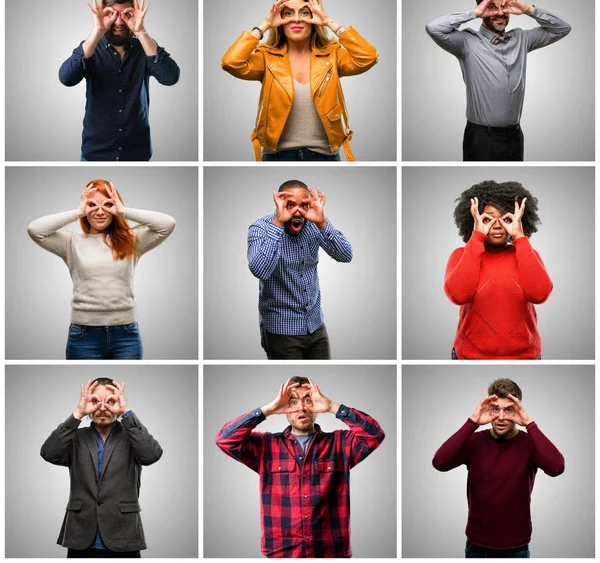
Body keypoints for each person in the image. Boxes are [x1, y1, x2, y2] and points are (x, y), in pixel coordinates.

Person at [216, 376, 385, 557]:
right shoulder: (266, 445)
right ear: (285, 410)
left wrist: (332, 407)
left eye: (308, 400)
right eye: (293, 401)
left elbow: (374, 435)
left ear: (316, 407)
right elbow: (225, 439)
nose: (301, 407)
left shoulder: (340, 443)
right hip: (282, 553)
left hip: (331, 553)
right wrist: (268, 410)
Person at [221, 0, 378, 161]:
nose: (296, 19)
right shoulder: (266, 58)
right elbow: (230, 63)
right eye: (288, 13)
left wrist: (328, 21)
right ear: (279, 18)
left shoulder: (332, 54)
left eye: (304, 12)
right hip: (277, 156)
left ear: (314, 16)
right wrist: (265, 25)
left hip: (325, 155)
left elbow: (368, 57)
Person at [27, 179, 176, 359]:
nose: (99, 211)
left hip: (126, 335)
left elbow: (167, 224)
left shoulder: (132, 240)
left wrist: (123, 211)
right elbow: (35, 230)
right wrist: (78, 212)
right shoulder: (71, 242)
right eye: (92, 205)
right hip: (83, 336)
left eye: (107, 205)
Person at [425, 0, 571, 161]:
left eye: (504, 7)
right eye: (492, 7)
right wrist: (473, 13)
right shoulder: (466, 42)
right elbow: (433, 28)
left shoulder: (522, 38)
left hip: (515, 136)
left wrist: (528, 10)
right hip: (480, 138)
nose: (500, 13)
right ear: (482, 8)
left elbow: (562, 28)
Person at [432, 378, 565, 558]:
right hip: (477, 546)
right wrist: (472, 422)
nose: (501, 417)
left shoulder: (530, 444)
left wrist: (529, 423)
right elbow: (440, 463)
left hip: (516, 548)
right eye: (496, 409)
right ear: (489, 410)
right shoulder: (475, 441)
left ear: (517, 411)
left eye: (508, 410)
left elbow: (556, 467)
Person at [41, 377, 163, 557]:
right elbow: (49, 452)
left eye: (110, 400)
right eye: (95, 401)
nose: (103, 407)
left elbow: (152, 454)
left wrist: (126, 412)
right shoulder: (75, 437)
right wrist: (77, 414)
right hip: (81, 536)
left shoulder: (132, 437)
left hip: (124, 535)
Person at [59, 0, 180, 161]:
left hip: (138, 155)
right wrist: (98, 31)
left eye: (126, 14)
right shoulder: (91, 48)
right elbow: (66, 78)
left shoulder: (145, 46)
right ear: (102, 14)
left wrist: (140, 31)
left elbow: (170, 77)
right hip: (95, 155)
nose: (118, 21)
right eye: (110, 14)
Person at [444, 180, 552, 359]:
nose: (496, 225)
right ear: (474, 220)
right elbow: (458, 295)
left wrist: (520, 237)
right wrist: (477, 237)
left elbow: (539, 294)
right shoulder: (461, 255)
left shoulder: (527, 254)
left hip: (526, 357)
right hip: (470, 357)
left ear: (518, 220)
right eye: (487, 219)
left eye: (506, 218)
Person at [247, 180, 352, 359]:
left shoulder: (313, 224)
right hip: (281, 329)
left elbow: (346, 255)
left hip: (315, 325)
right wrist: (278, 223)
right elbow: (260, 270)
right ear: (279, 203)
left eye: (303, 205)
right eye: (290, 205)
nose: (297, 211)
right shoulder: (261, 228)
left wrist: (323, 224)